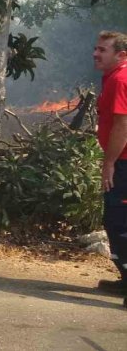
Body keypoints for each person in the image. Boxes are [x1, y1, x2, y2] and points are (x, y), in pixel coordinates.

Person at [93, 30, 127, 306]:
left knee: (118, 222)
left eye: (103, 49)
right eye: (97, 48)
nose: (96, 53)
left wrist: (109, 163)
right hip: (122, 159)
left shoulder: (120, 79)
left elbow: (122, 126)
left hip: (124, 162)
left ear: (121, 55)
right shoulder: (113, 77)